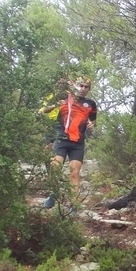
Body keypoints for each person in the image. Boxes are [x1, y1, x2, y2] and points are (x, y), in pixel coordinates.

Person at [43, 76, 97, 210]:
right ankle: (53, 193)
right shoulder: (65, 97)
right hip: (61, 138)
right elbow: (45, 110)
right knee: (55, 167)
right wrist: (57, 104)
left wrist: (91, 125)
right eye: (81, 85)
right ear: (76, 86)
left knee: (74, 172)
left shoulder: (90, 103)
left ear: (89, 89)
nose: (83, 89)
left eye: (86, 87)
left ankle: (73, 205)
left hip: (77, 142)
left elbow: (93, 121)